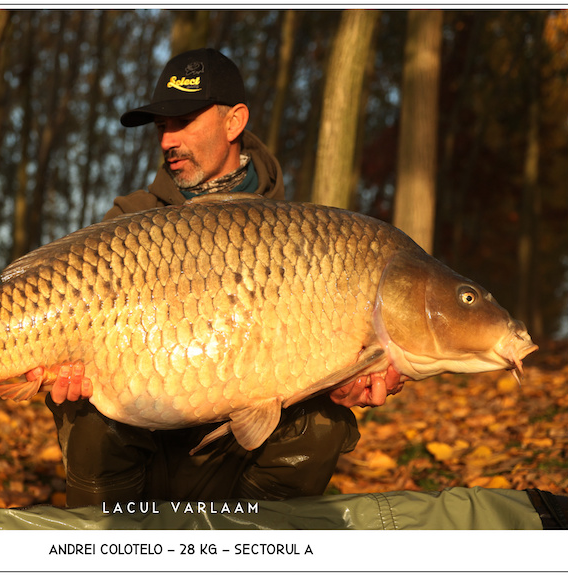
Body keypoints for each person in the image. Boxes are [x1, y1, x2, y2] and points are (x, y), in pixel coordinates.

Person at [41, 48, 403, 506]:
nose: (167, 140)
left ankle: (250, 545)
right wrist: (63, 375)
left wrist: (356, 373)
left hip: (239, 464)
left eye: (184, 121)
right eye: (161, 127)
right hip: (141, 458)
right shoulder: (131, 220)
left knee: (323, 424)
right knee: (88, 413)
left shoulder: (303, 236)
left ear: (234, 122)